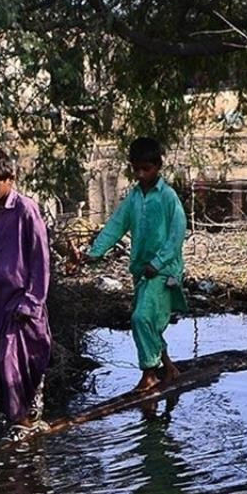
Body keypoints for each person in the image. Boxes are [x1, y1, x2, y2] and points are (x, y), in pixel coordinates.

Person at [74, 137, 188, 392]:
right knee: (149, 319)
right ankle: (168, 367)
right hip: (142, 270)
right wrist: (94, 252)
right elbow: (116, 225)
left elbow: (176, 236)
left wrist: (158, 263)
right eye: (136, 169)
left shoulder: (168, 197)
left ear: (158, 166)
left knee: (140, 318)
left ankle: (149, 374)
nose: (140, 174)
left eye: (145, 169)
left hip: (164, 271)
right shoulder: (134, 198)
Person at [0, 144, 53, 442]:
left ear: (10, 178)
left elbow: (40, 259)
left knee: (11, 361)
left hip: (20, 300)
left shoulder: (25, 209)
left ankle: (22, 421)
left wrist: (32, 302)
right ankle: (15, 413)